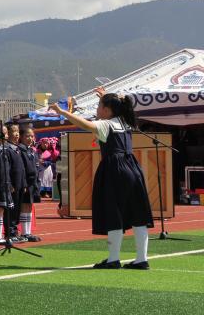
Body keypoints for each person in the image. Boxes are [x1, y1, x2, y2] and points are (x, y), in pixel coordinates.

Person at [50, 90, 153, 269]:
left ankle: (113, 259)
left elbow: (85, 124)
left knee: (113, 212)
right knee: (138, 214)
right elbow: (115, 108)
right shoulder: (125, 121)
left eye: (99, 106)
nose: (97, 109)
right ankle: (141, 259)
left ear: (107, 110)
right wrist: (107, 97)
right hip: (133, 168)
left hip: (115, 169)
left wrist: (63, 112)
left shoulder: (106, 124)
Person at [18, 125, 42, 242]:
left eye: (32, 136)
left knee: (29, 207)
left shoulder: (31, 150)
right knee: (24, 206)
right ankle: (24, 232)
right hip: (26, 183)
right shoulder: (20, 150)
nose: (30, 138)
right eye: (27, 136)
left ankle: (28, 232)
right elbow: (22, 169)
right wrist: (24, 184)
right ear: (21, 137)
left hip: (33, 183)